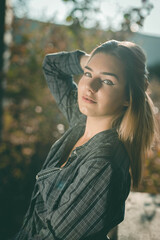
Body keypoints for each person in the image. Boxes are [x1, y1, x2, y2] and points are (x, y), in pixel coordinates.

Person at [15, 40, 157, 240]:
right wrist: (97, 61)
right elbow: (52, 66)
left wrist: (97, 65)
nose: (90, 86)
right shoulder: (81, 122)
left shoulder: (101, 165)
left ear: (128, 97)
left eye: (107, 81)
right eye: (88, 74)